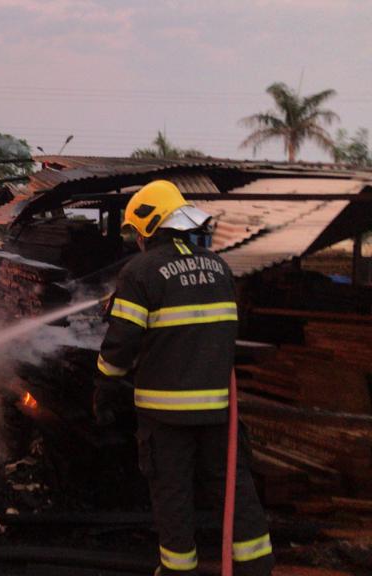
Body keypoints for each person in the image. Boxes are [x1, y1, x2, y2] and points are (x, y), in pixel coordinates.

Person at [94, 180, 274, 576]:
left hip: (165, 416)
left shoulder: (140, 272)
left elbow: (121, 345)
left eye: (135, 233)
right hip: (218, 411)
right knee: (235, 493)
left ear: (147, 227)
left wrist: (105, 386)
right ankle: (256, 568)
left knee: (173, 498)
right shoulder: (220, 266)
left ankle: (178, 571)